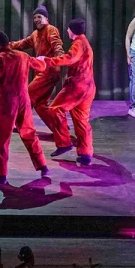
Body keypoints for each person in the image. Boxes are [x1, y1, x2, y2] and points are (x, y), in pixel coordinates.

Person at [0, 32, 50, 185]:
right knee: (29, 134)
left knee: (1, 138)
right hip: (24, 100)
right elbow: (41, 66)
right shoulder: (22, 56)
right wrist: (42, 60)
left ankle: (0, 174)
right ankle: (43, 166)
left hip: (7, 102)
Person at [41, 19, 96, 166]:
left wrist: (47, 60)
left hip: (77, 86)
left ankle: (64, 142)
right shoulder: (85, 43)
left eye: (68, 29)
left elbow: (70, 59)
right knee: (81, 120)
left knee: (55, 109)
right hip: (88, 86)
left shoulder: (79, 43)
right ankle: (85, 154)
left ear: (72, 30)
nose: (67, 31)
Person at [9, 6, 65, 134]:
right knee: (40, 105)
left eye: (39, 17)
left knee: (27, 95)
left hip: (49, 72)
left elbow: (57, 46)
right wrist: (5, 46)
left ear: (46, 18)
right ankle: (60, 129)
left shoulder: (51, 30)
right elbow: (21, 44)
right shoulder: (35, 34)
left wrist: (60, 58)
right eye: (34, 17)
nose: (36, 20)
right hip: (41, 72)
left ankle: (22, 125)